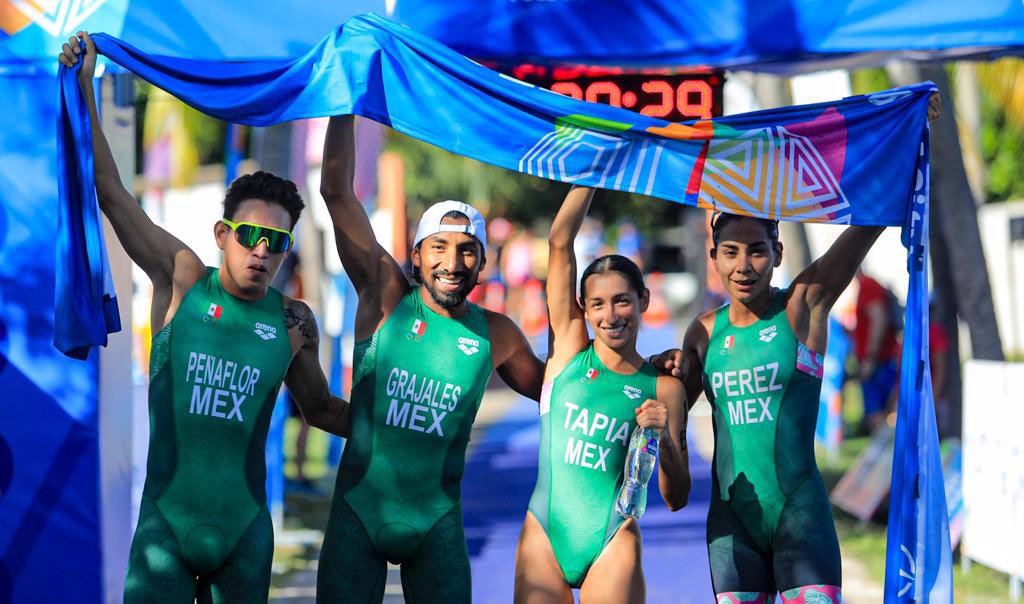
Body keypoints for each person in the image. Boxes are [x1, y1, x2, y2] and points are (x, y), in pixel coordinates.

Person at [60, 34, 349, 603]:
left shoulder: (294, 321)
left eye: (276, 241)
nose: (261, 251)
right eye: (251, 236)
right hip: (165, 532)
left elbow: (320, 410)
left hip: (245, 536)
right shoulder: (183, 278)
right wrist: (86, 85)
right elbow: (111, 193)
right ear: (223, 234)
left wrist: (395, 426)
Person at [315, 115, 547, 603]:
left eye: (467, 251)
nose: (452, 263)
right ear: (417, 256)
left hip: (437, 522)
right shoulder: (385, 297)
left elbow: (562, 392)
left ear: (483, 262)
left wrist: (647, 370)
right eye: (438, 248)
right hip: (359, 514)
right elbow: (336, 193)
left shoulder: (497, 334)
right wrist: (344, 103)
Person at [514, 186, 691, 603]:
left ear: (643, 300)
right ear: (584, 307)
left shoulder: (664, 387)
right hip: (544, 535)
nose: (610, 316)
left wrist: (664, 439)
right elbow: (559, 241)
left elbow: (677, 498)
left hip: (613, 539)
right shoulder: (567, 351)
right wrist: (594, 171)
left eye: (622, 301)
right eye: (597, 304)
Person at [852, 270, 899, 434]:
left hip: (879, 362)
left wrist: (870, 358)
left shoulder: (868, 285)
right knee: (881, 416)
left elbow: (879, 319)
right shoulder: (866, 285)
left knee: (879, 416)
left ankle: (889, 449)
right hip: (879, 361)